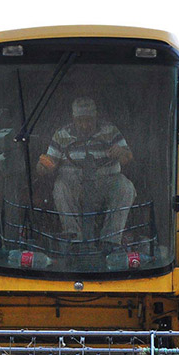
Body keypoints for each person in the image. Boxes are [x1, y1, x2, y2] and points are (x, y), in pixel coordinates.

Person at [36, 97, 135, 253]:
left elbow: (127, 157)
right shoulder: (61, 134)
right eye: (80, 121)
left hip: (105, 182)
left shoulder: (110, 131)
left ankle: (111, 241)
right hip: (74, 185)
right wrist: (44, 165)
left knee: (126, 187)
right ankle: (74, 239)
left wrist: (121, 152)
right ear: (73, 119)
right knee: (60, 186)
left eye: (89, 120)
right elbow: (48, 163)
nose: (85, 125)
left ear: (96, 117)